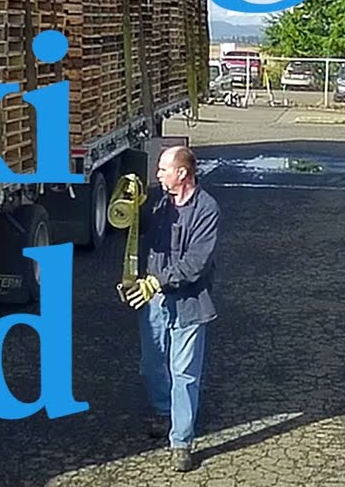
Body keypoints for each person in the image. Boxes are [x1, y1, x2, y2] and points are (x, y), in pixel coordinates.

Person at [121, 145, 221, 473]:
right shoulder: (160, 202)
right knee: (151, 364)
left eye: (163, 169)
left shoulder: (207, 209)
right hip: (154, 300)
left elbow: (196, 263)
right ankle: (164, 411)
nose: (158, 174)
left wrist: (157, 281)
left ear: (182, 173)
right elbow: (136, 229)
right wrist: (131, 204)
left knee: (185, 373)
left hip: (189, 301)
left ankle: (181, 441)